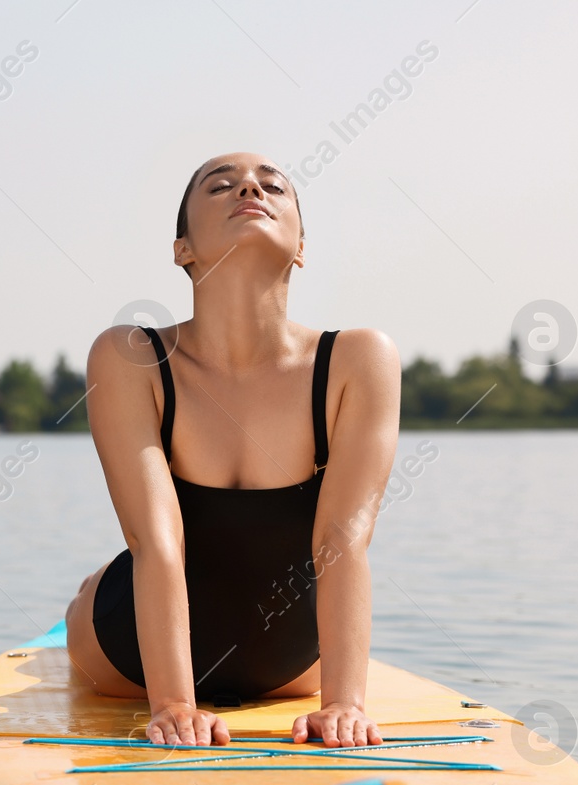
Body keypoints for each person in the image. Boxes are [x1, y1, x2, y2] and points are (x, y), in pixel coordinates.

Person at [64, 152, 400, 748]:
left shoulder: (359, 360)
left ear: (301, 246)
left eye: (274, 187)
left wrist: (345, 704)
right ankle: (92, 589)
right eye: (221, 186)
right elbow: (155, 541)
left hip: (294, 665)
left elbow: (343, 541)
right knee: (95, 595)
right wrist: (172, 705)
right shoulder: (130, 357)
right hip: (129, 660)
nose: (251, 187)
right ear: (182, 248)